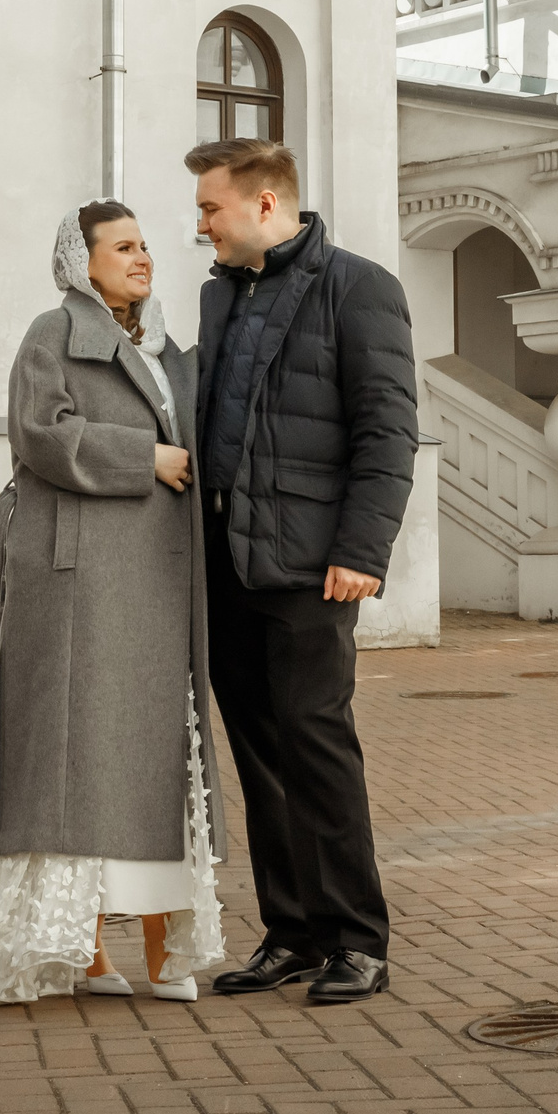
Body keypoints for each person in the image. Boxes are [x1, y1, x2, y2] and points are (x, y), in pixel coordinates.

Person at [0, 201, 229, 1006]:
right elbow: (41, 433)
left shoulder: (170, 351)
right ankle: (85, 949)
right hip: (80, 584)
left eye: (145, 245)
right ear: (82, 260)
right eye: (123, 246)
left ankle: (168, 945)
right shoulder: (52, 334)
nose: (143, 257)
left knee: (161, 754)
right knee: (79, 757)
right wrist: (146, 456)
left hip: (160, 582)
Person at [185, 137, 418, 1005]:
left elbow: (386, 429)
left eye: (211, 207)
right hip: (228, 562)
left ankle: (358, 938)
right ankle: (292, 931)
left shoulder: (359, 287)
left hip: (311, 565)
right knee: (260, 755)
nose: (200, 223)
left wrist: (363, 550)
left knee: (318, 748)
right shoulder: (220, 296)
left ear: (266, 205)